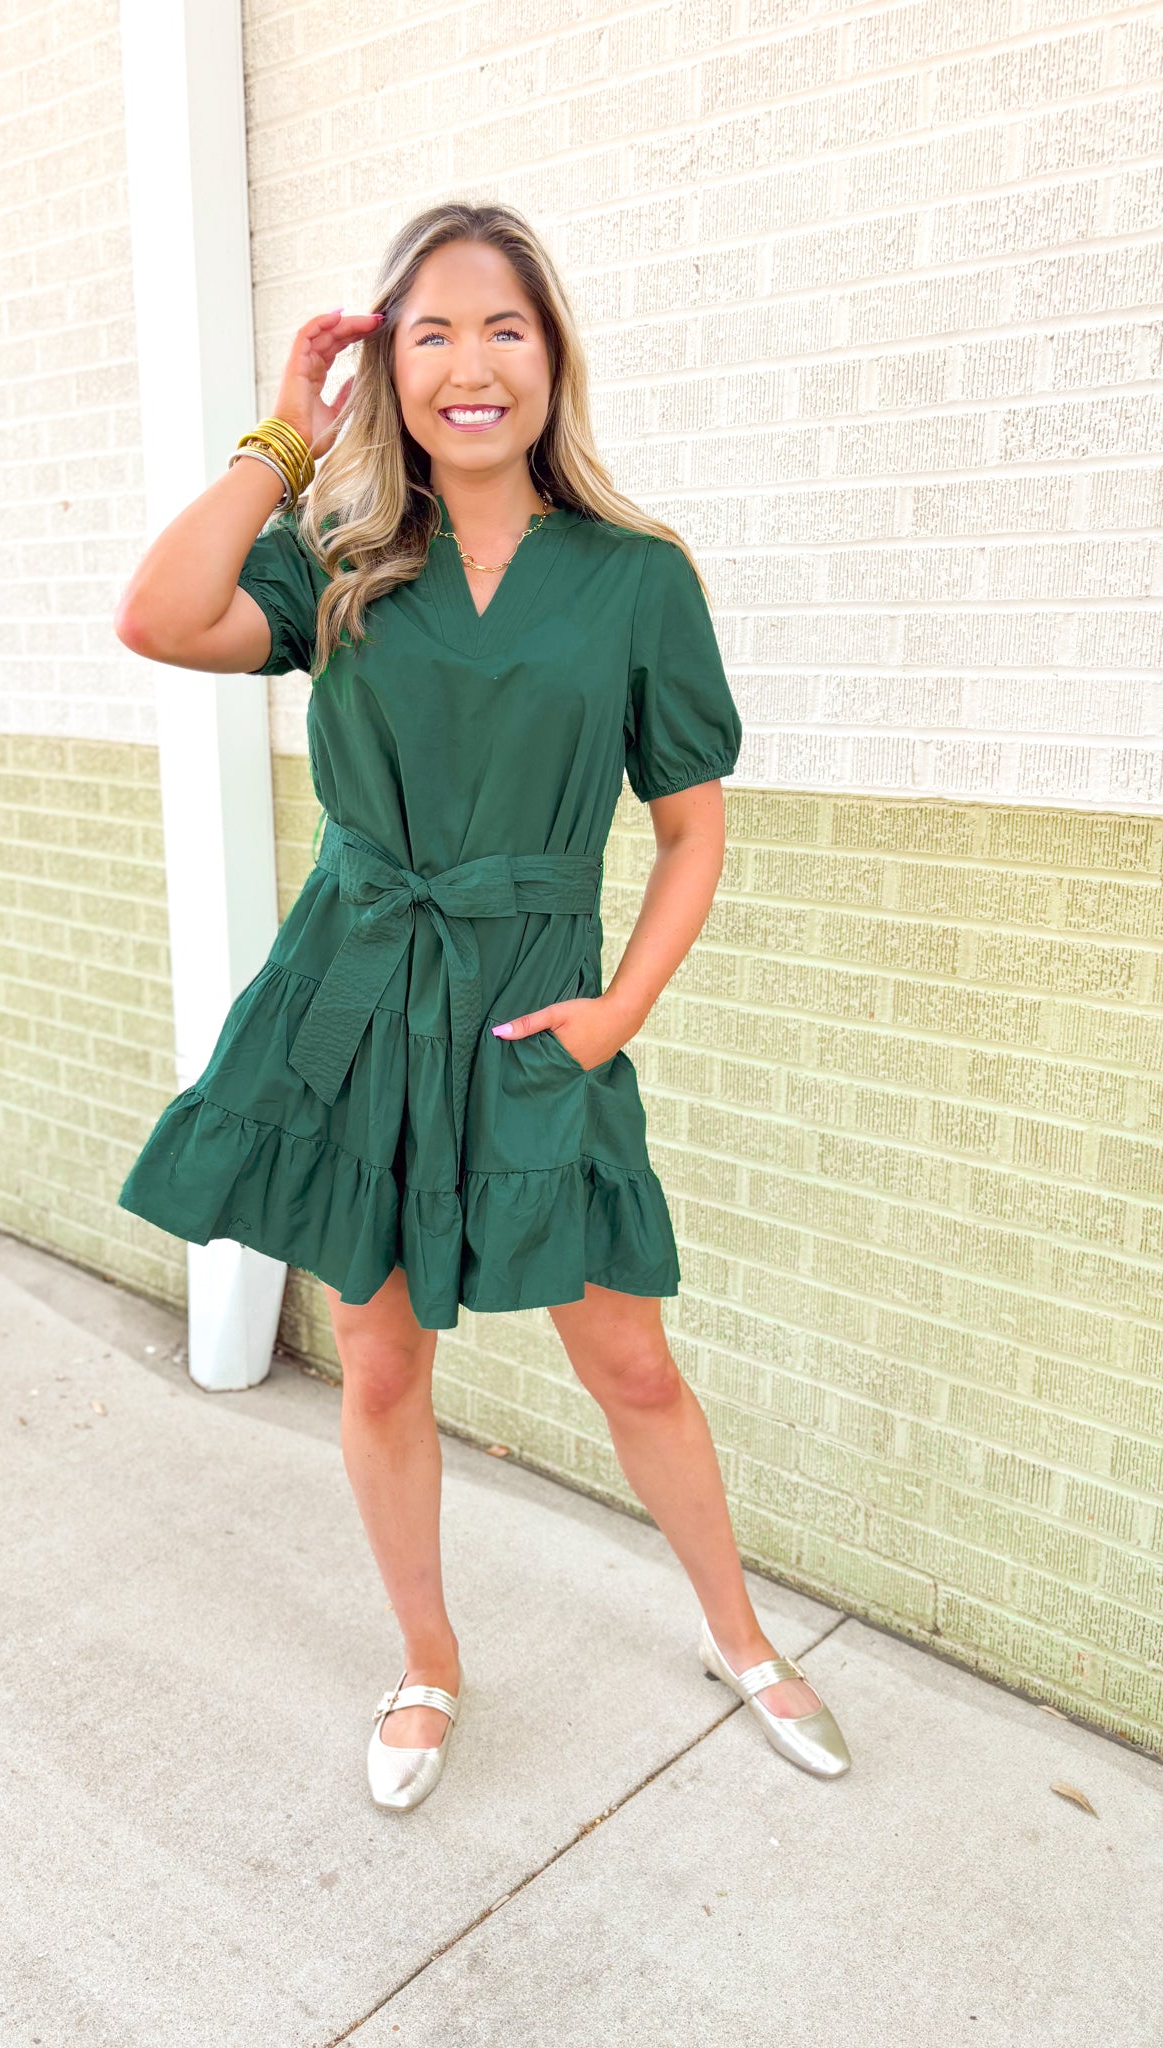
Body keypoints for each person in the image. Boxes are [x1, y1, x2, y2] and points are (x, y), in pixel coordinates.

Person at [113, 201, 851, 1811]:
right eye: (429, 331)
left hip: (537, 1009)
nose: (468, 363)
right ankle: (428, 1660)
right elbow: (160, 618)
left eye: (501, 327)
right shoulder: (340, 559)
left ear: (550, 355)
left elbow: (690, 824)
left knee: (629, 1359)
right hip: (359, 992)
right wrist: (278, 438)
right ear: (390, 366)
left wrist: (615, 1017)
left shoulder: (635, 577)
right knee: (378, 1361)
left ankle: (738, 1635)